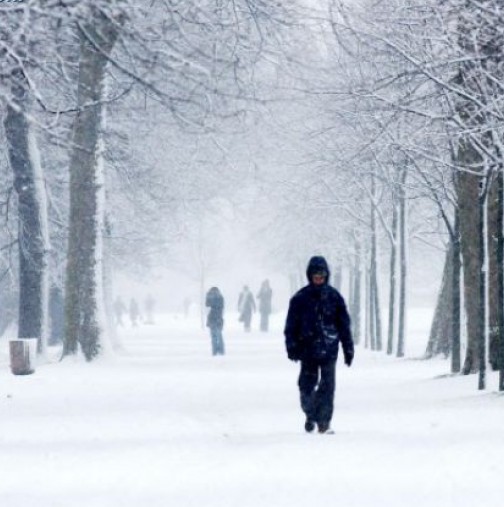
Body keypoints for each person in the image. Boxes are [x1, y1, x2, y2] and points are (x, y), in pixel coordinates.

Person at [284, 255, 354, 434]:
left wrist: (348, 348)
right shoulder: (299, 299)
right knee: (306, 386)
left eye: (321, 276)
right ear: (310, 276)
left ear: (326, 276)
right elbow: (290, 326)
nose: (318, 279)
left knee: (328, 387)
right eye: (315, 276)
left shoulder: (334, 298)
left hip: (329, 349)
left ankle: (324, 423)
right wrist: (291, 346)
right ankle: (311, 413)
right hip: (307, 350)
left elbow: (344, 325)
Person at [206, 287, 225, 356]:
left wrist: (208, 296)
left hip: (213, 318)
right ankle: (221, 350)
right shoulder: (220, 297)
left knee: (214, 335)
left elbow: (207, 304)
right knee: (219, 335)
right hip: (218, 318)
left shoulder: (213, 298)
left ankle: (215, 351)